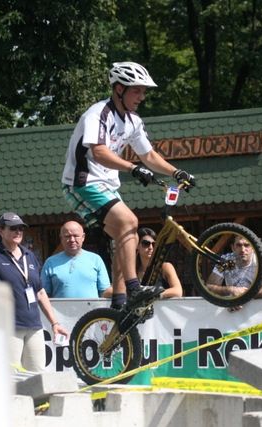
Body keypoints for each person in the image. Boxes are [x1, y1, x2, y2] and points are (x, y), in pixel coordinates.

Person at [61, 61, 196, 310]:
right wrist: (132, 168)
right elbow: (99, 152)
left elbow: (149, 155)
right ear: (119, 89)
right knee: (130, 222)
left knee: (126, 240)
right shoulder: (98, 114)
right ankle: (135, 290)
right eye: (137, 91)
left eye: (143, 91)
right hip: (82, 182)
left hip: (106, 185)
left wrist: (176, 172)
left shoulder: (133, 121)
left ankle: (120, 303)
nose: (142, 97)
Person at [0, 212, 68, 372]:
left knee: (38, 376)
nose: (18, 232)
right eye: (13, 228)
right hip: (9, 327)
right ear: (1, 231)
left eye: (21, 228)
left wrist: (55, 323)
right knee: (11, 377)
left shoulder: (29, 255)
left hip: (34, 327)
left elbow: (40, 292)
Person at [206, 235, 262, 310]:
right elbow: (209, 287)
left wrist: (243, 294)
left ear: (253, 248)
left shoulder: (260, 260)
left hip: (255, 308)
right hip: (233, 309)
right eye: (239, 245)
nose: (243, 249)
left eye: (247, 245)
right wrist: (231, 290)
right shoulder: (226, 261)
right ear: (233, 248)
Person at [41, 220, 112, 298]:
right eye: (67, 236)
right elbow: (44, 294)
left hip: (91, 306)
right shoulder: (50, 262)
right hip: (60, 306)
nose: (72, 240)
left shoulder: (96, 260)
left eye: (76, 236)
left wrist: (119, 290)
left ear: (83, 237)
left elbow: (104, 292)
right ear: (61, 238)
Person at [135, 227, 183, 298]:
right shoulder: (132, 271)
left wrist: (152, 295)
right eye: (146, 243)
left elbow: (178, 291)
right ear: (137, 246)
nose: (151, 247)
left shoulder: (165, 267)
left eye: (154, 244)